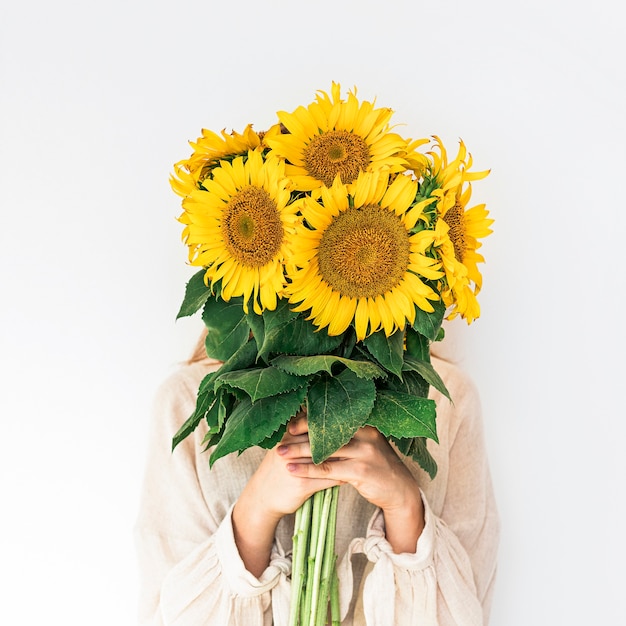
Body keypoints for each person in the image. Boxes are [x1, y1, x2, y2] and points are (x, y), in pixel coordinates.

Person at [134, 333, 500, 625]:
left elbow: (468, 611)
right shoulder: (192, 403)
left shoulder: (442, 399)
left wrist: (404, 506)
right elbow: (166, 615)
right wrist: (255, 510)